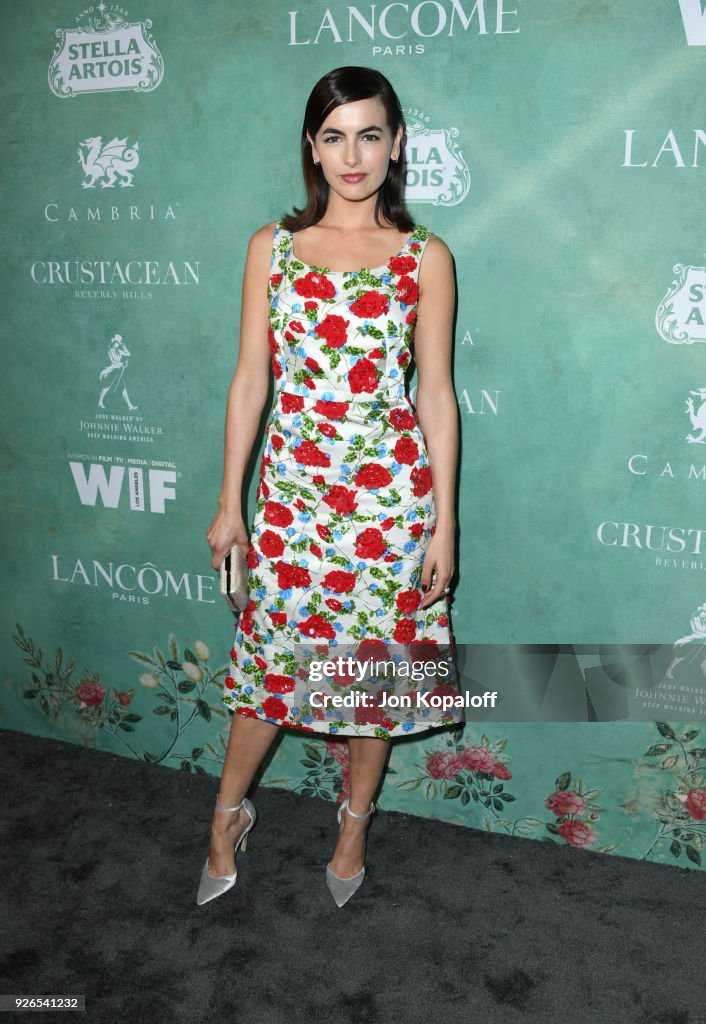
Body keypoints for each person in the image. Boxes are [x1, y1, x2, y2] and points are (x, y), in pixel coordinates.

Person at [198, 66, 460, 909]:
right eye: (335, 135)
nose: (354, 155)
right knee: (271, 670)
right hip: (290, 504)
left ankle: (354, 826)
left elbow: (435, 395)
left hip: (388, 509)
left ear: (398, 144)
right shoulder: (270, 247)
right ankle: (226, 815)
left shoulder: (426, 258)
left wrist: (444, 524)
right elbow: (249, 381)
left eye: (371, 134)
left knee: (366, 680)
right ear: (312, 147)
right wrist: (228, 502)